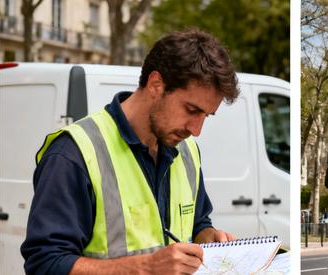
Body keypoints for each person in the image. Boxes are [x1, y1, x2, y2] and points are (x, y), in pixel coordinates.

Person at [21, 29, 239, 275]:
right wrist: (147, 267)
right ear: (156, 84)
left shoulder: (187, 150)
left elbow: (198, 222)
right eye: (191, 110)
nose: (196, 129)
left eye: (205, 116)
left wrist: (208, 238)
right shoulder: (74, 154)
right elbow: (45, 264)